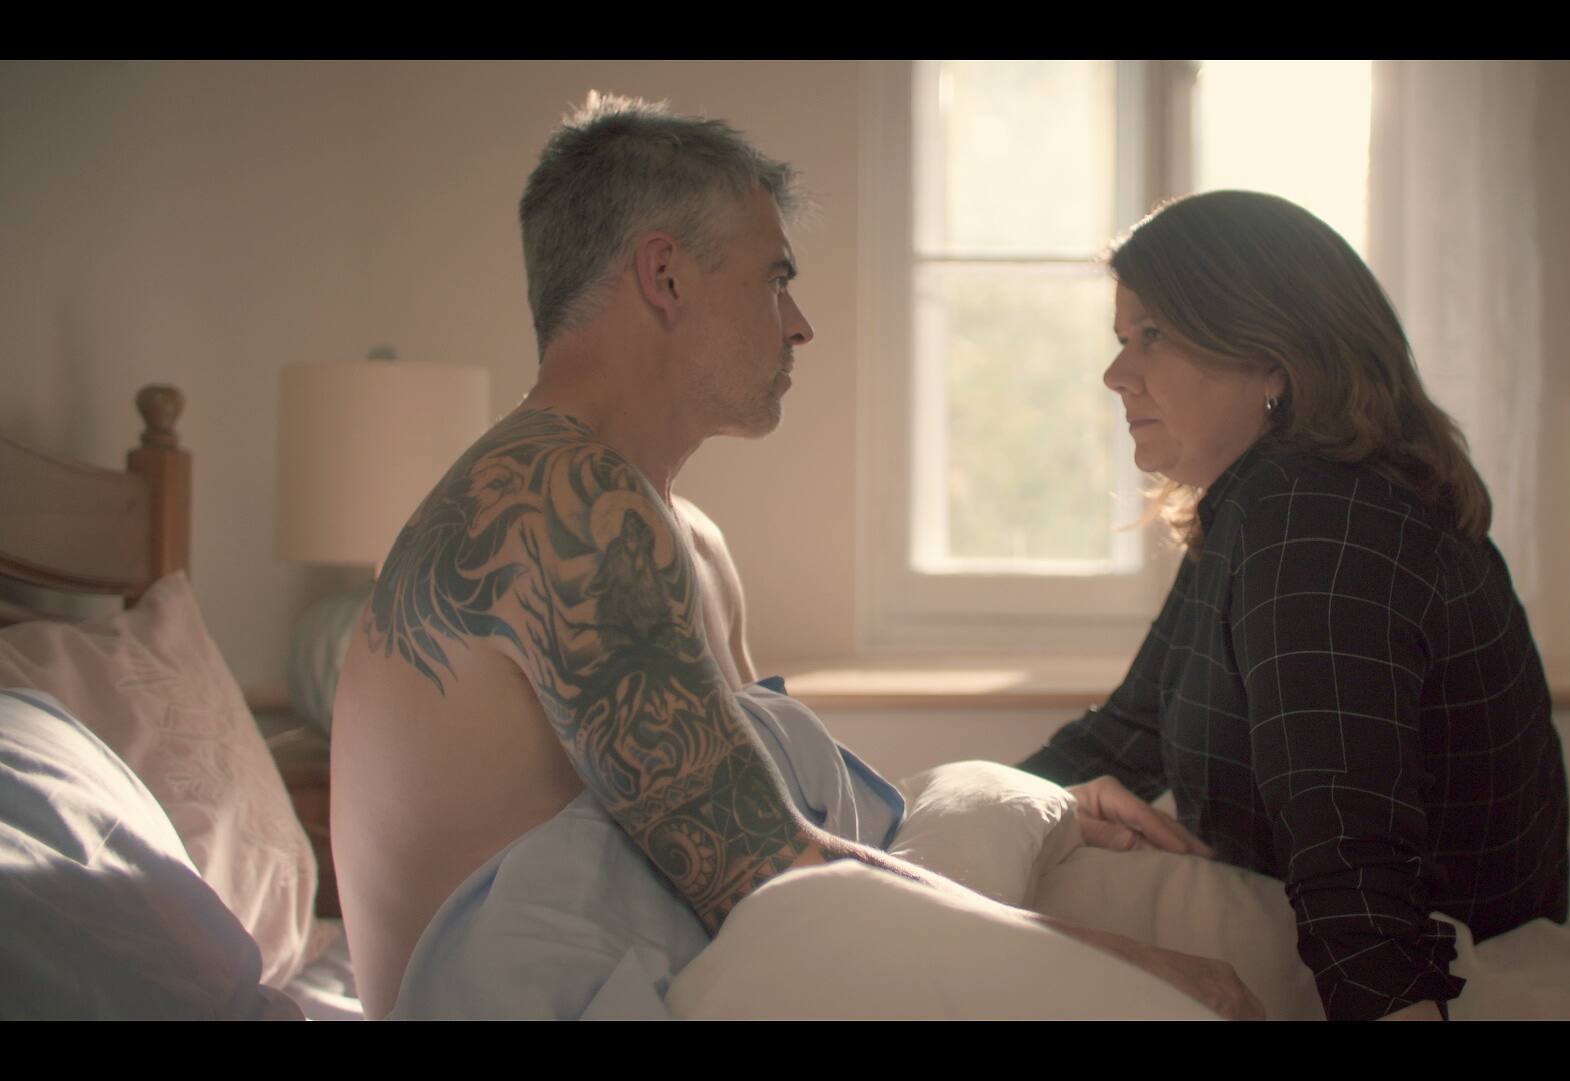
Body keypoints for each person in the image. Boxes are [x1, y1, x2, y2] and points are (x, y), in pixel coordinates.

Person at [331, 94, 1258, 1020]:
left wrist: (1041, 810)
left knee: (998, 806)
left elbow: (776, 836)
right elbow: (772, 880)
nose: (800, 322)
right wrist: (1142, 970)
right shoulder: (560, 504)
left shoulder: (683, 534)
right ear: (665, 275)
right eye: (775, 279)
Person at [1019, 190, 1570, 1022]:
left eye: (1153, 335)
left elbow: (1351, 857)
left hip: (1447, 983)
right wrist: (1005, 813)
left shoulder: (1314, 516)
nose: (1115, 374)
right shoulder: (1263, 508)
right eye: (1123, 339)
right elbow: (1126, 734)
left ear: (1273, 359)